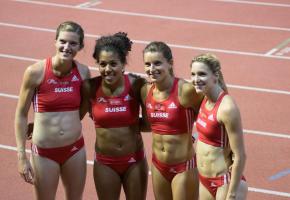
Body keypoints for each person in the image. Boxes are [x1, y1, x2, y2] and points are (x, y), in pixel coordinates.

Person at [14, 21, 90, 200]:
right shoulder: (35, 72)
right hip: (45, 153)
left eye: (73, 43)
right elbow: (20, 114)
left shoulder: (83, 72)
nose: (66, 47)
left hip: (75, 150)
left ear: (80, 46)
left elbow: (84, 107)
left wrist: (65, 123)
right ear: (55, 41)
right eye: (62, 41)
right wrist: (21, 156)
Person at [88, 32, 148, 200]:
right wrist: (41, 122)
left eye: (113, 64)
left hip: (134, 160)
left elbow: (151, 124)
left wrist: (129, 124)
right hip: (105, 163)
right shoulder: (90, 87)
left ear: (123, 64)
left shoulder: (137, 84)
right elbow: (72, 114)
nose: (108, 69)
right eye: (103, 64)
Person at [140, 41, 203, 200]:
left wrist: (197, 136)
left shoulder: (186, 90)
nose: (152, 69)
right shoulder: (145, 90)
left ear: (170, 64)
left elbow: (213, 111)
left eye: (157, 63)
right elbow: (147, 125)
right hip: (158, 165)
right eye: (147, 64)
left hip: (183, 167)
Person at [191, 53, 248, 200]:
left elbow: (240, 155)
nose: (196, 79)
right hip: (204, 180)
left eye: (202, 74)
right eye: (193, 74)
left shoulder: (227, 108)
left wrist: (233, 194)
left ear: (215, 76)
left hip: (225, 182)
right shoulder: (203, 97)